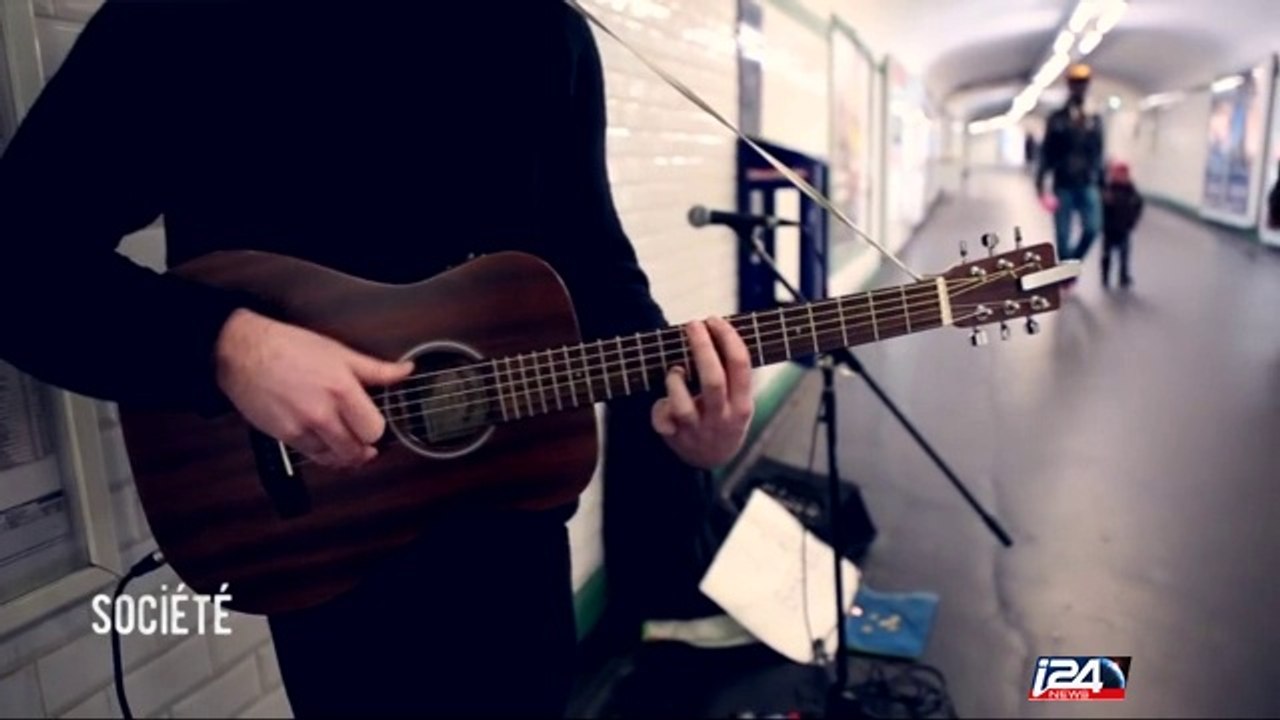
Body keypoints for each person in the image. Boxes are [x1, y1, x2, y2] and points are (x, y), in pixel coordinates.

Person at [0, 2, 754, 716]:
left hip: (513, 522)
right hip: (324, 526)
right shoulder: (189, 18)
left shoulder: (542, 30)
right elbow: (21, 260)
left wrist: (688, 424)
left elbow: (596, 269)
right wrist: (226, 345)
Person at [1037, 63, 1106, 265]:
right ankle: (1067, 268)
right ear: (1069, 85)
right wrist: (1040, 182)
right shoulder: (1057, 118)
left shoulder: (1094, 118)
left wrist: (1103, 182)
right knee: (1063, 234)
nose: (1080, 87)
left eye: (1083, 83)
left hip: (1087, 181)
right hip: (1063, 182)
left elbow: (1098, 151)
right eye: (1076, 83)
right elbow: (1046, 151)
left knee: (1093, 227)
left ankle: (1071, 265)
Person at [1100, 161, 1144, 289]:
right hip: (1109, 228)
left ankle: (1123, 276)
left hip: (1124, 228)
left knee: (1124, 254)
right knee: (1107, 254)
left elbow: (1139, 204)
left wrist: (1133, 220)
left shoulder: (1131, 190)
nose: (1121, 177)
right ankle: (1105, 277)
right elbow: (1102, 207)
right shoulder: (1108, 189)